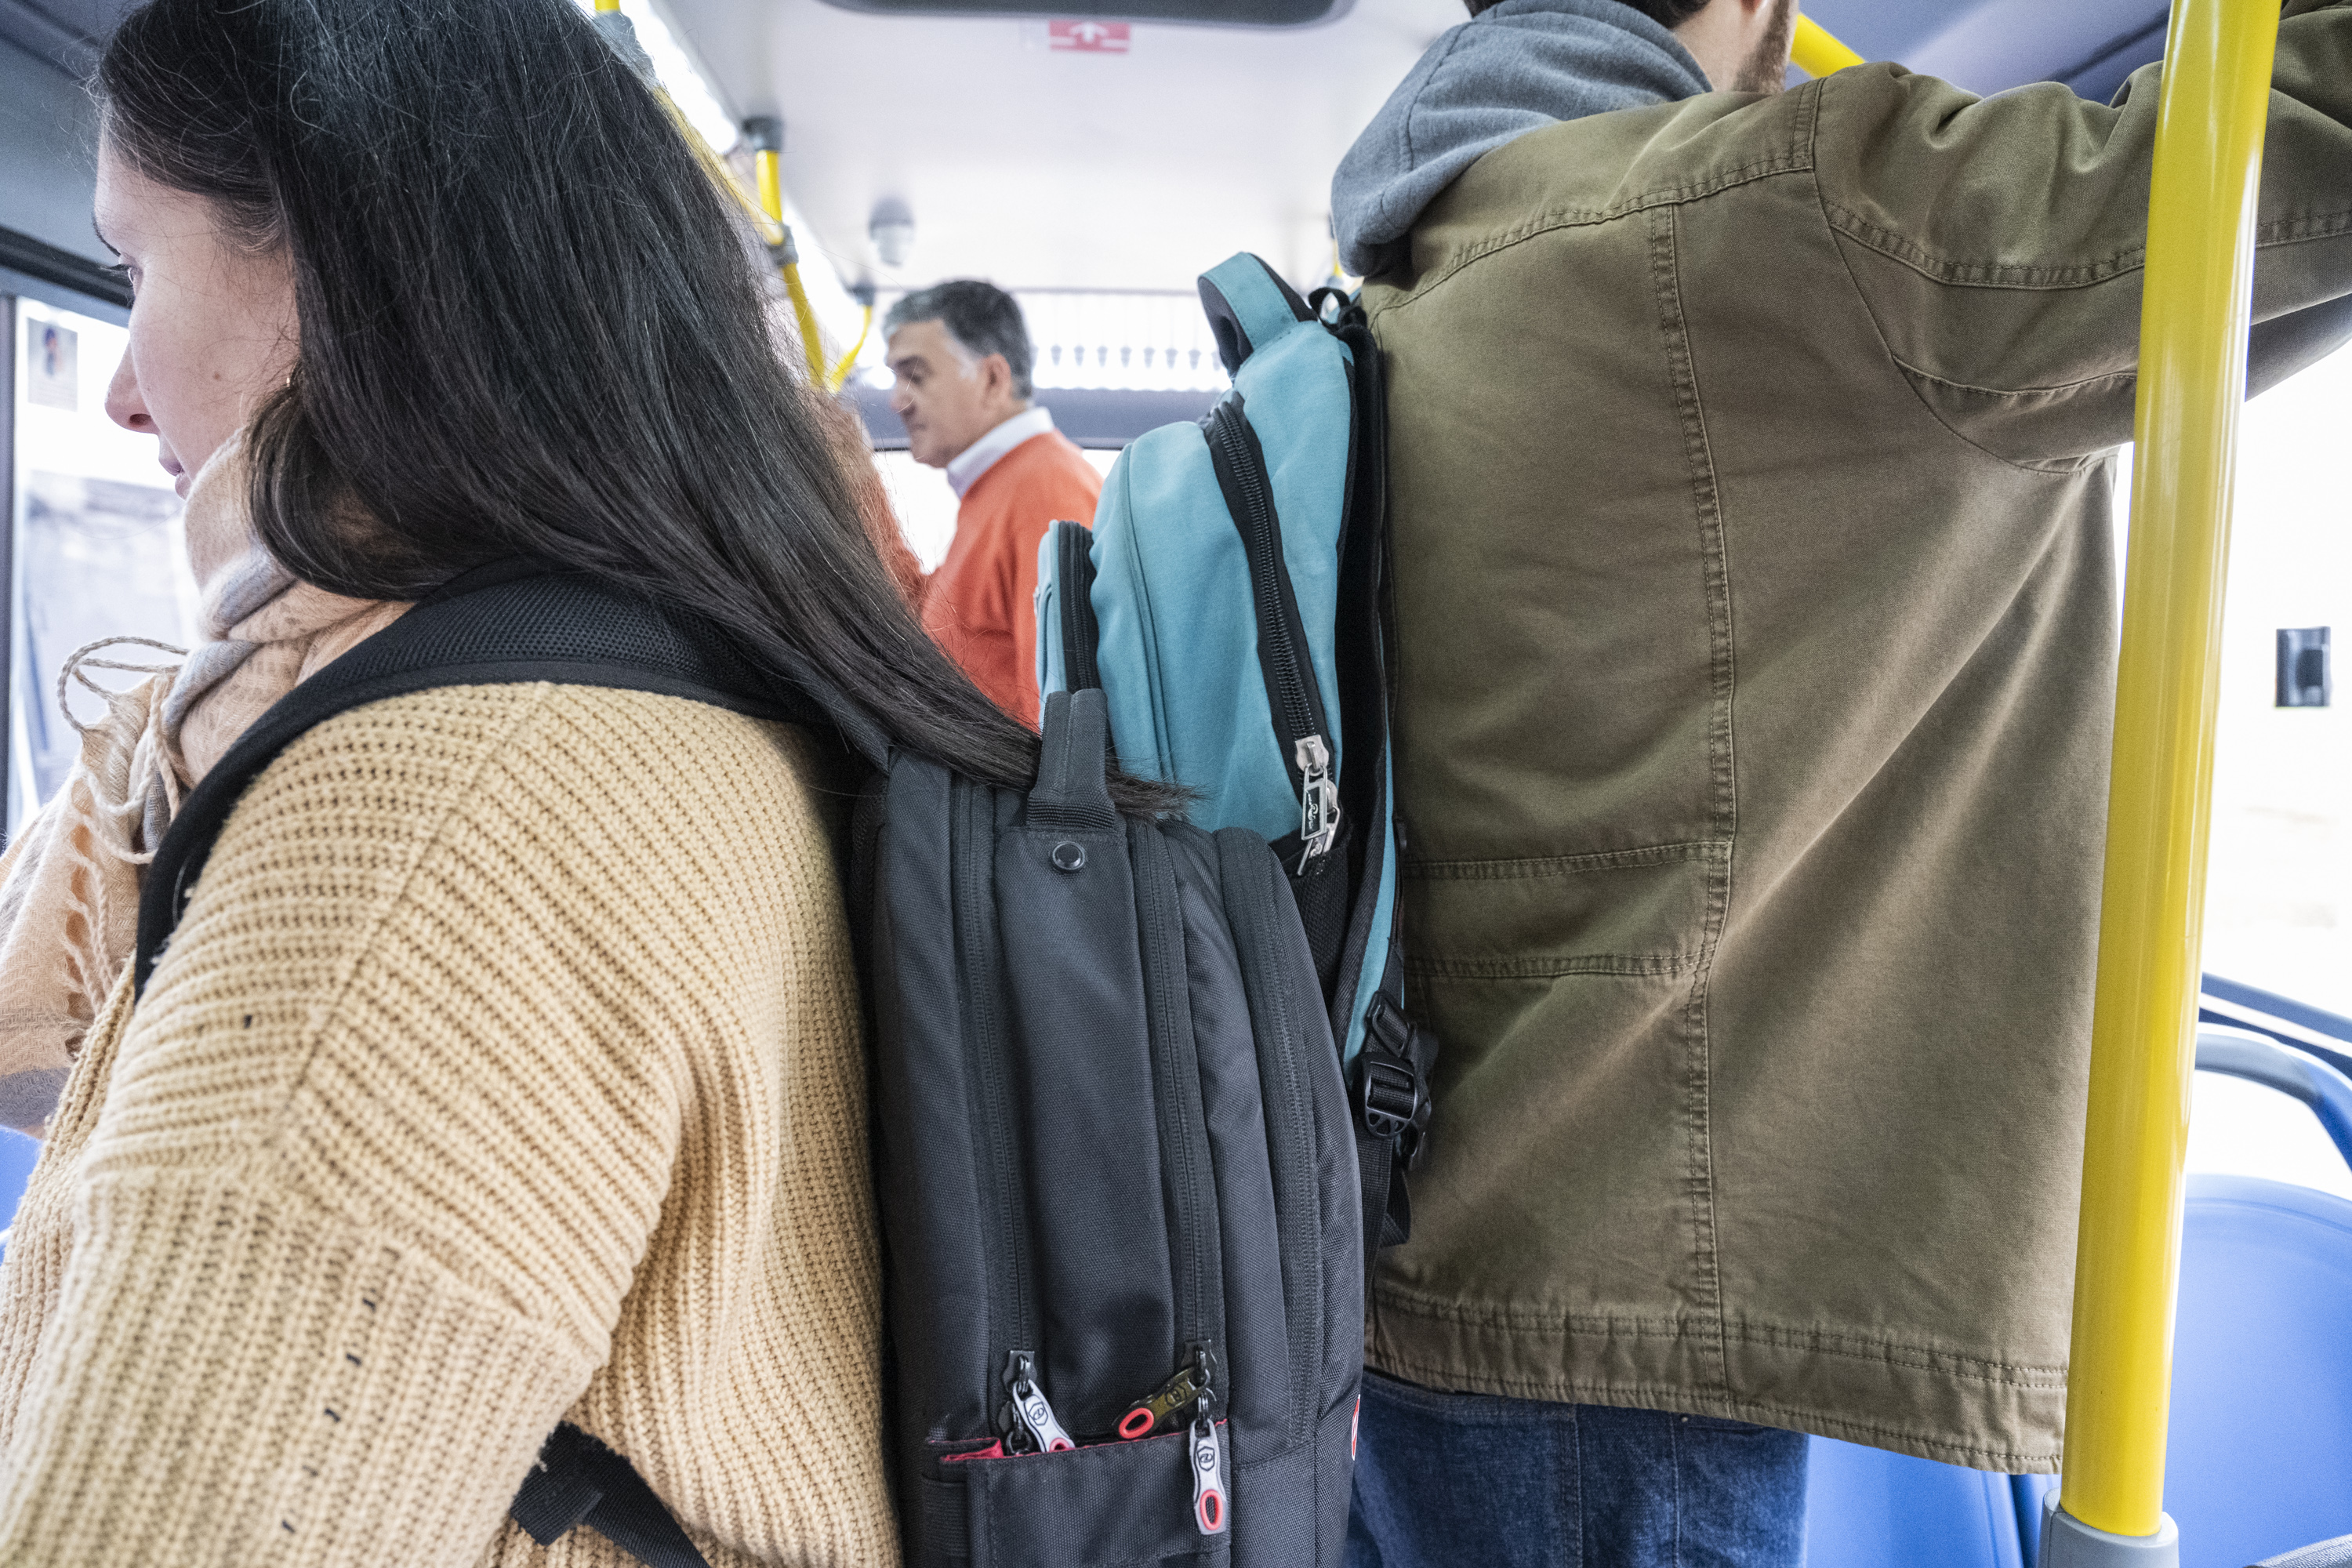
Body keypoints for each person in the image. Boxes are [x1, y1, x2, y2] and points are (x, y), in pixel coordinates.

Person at [0, 0, 1094, 1559]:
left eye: (130, 270)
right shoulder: (674, 671)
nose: (118, 389)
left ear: (327, 268)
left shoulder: (414, 838)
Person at [1330, 0, 2352, 1563]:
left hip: (1425, 1262)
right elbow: (2278, 155)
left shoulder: (1410, 290)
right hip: (1632, 1338)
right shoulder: (1799, 214)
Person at [884, 281, 1101, 722]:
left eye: (916, 376)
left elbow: (1059, 727)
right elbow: (928, 621)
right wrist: (855, 480)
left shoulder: (1044, 490)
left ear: (992, 379)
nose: (897, 402)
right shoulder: (999, 488)